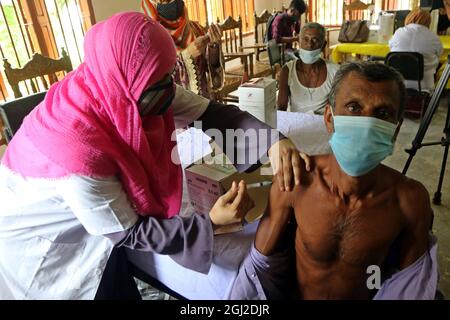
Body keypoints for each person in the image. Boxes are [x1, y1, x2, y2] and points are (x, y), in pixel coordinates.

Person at [0, 12, 311, 300]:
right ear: (127, 84)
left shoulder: (131, 84)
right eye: (158, 86)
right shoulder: (78, 150)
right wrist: (210, 224)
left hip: (95, 220)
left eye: (169, 77)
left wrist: (273, 141)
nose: (169, 93)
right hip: (44, 247)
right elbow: (132, 232)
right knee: (102, 289)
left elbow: (211, 113)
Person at [232, 62, 439, 300]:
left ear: (395, 127)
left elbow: (407, 288)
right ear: (329, 118)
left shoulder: (409, 200)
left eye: (382, 114)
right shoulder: (295, 181)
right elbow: (258, 268)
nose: (367, 124)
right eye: (353, 107)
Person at [142, 0, 224, 99]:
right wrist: (187, 55)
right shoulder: (148, 42)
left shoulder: (196, 28)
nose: (173, 2)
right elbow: (156, 83)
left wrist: (213, 46)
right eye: (165, 1)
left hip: (203, 104)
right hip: (176, 110)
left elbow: (211, 71)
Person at [278, 22, 339, 114]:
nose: (309, 45)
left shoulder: (334, 71)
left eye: (315, 40)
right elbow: (281, 109)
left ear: (323, 44)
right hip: (297, 124)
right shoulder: (287, 71)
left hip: (323, 123)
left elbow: (337, 106)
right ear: (299, 42)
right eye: (305, 39)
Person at [389, 8, 443, 92]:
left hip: (397, 84)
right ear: (428, 21)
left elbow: (391, 48)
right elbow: (439, 53)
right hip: (424, 87)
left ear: (409, 18)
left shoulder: (398, 32)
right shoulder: (433, 37)